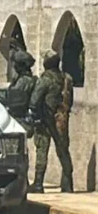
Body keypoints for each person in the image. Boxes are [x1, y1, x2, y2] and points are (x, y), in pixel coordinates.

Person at [30, 49, 74, 193]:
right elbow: (70, 100)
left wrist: (36, 116)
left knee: (42, 150)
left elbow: (35, 101)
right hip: (62, 119)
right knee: (63, 151)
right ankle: (68, 184)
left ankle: (38, 184)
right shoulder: (67, 78)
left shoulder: (45, 79)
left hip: (45, 120)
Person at [4, 50, 36, 136]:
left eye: (15, 64)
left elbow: (14, 99)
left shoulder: (24, 81)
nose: (14, 66)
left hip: (22, 119)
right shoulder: (22, 79)